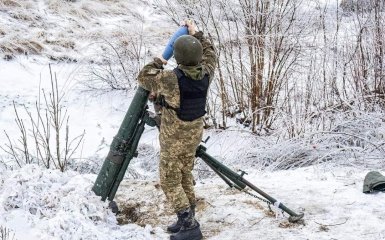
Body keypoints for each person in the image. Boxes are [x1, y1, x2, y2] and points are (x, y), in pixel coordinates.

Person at [137, 20, 216, 240]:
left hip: (174, 137)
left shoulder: (171, 79)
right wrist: (197, 34)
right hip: (193, 134)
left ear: (178, 57)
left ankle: (190, 227)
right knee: (184, 175)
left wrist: (161, 59)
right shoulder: (207, 72)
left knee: (169, 180)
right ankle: (186, 219)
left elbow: (143, 77)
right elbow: (211, 53)